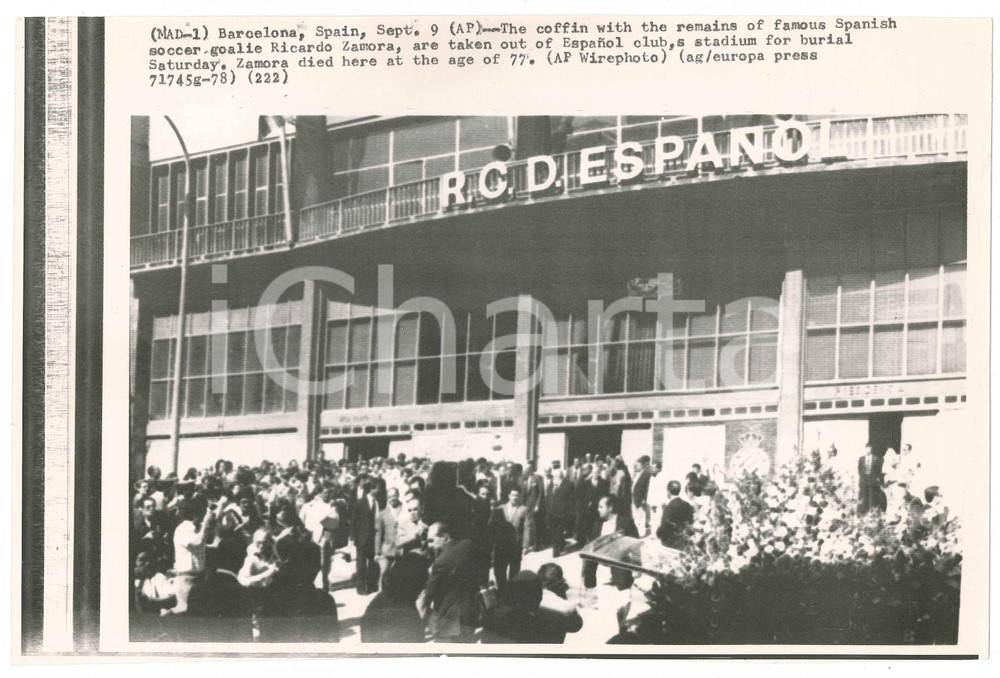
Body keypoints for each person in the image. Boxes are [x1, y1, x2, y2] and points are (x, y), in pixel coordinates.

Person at [418, 522, 479, 643]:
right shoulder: (468, 545)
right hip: (471, 613)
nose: (430, 545)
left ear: (445, 537)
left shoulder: (440, 562)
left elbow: (428, 595)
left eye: (431, 540)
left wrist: (419, 625)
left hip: (449, 621)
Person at [361, 553, 430, 643]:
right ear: (413, 582)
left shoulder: (379, 601)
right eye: (421, 583)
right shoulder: (407, 616)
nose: (423, 587)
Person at [171, 501, 215, 614]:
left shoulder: (197, 529)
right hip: (186, 579)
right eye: (203, 513)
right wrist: (206, 522)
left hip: (199, 578)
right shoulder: (182, 529)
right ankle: (164, 616)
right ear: (195, 515)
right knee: (183, 610)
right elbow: (197, 542)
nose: (205, 516)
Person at [490, 487, 533, 589]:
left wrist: (525, 546)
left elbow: (527, 528)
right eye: (513, 495)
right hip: (501, 545)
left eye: (517, 495)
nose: (515, 497)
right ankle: (502, 590)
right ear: (509, 496)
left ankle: (511, 593)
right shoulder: (500, 509)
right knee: (499, 570)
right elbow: (493, 527)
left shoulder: (524, 509)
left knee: (514, 571)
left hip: (515, 545)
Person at [352, 478, 381, 595]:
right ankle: (361, 586)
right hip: (362, 538)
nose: (379, 490)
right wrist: (354, 538)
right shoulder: (360, 502)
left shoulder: (377, 502)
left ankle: (372, 584)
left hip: (373, 538)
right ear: (372, 489)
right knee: (361, 564)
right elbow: (354, 521)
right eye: (377, 488)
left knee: (373, 562)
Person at [375, 487, 406, 589]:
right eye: (389, 497)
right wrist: (377, 552)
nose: (392, 498)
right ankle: (380, 595)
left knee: (400, 575)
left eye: (394, 496)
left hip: (402, 549)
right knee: (384, 573)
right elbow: (378, 534)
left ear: (398, 496)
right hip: (387, 549)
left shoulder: (405, 510)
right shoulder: (382, 514)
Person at [857, 442, 887, 515]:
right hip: (864, 480)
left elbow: (879, 470)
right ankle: (864, 512)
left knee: (872, 497)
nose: (868, 450)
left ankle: (872, 512)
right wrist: (862, 477)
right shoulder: (861, 459)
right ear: (865, 449)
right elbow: (859, 469)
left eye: (869, 449)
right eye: (867, 449)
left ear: (871, 449)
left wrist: (876, 478)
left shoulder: (876, 458)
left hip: (872, 480)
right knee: (864, 496)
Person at [631, 455, 653, 537]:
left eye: (639, 464)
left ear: (644, 464)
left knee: (640, 517)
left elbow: (646, 487)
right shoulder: (639, 473)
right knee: (636, 517)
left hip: (640, 499)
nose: (638, 466)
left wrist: (644, 499)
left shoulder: (646, 474)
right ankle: (637, 533)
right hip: (635, 498)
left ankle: (640, 534)